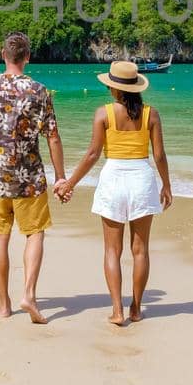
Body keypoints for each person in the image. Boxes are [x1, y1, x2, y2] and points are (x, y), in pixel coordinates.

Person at [56, 60, 173, 325]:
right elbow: (159, 155)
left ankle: (118, 310)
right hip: (142, 179)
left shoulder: (103, 114)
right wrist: (166, 185)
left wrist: (69, 183)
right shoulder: (151, 114)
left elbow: (92, 154)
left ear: (114, 89)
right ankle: (136, 309)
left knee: (112, 250)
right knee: (140, 250)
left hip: (114, 179)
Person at [0, 32, 64, 324]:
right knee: (34, 233)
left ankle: (5, 305)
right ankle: (29, 294)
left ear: (3, 55)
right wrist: (60, 176)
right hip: (29, 177)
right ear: (27, 57)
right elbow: (52, 137)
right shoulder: (39, 91)